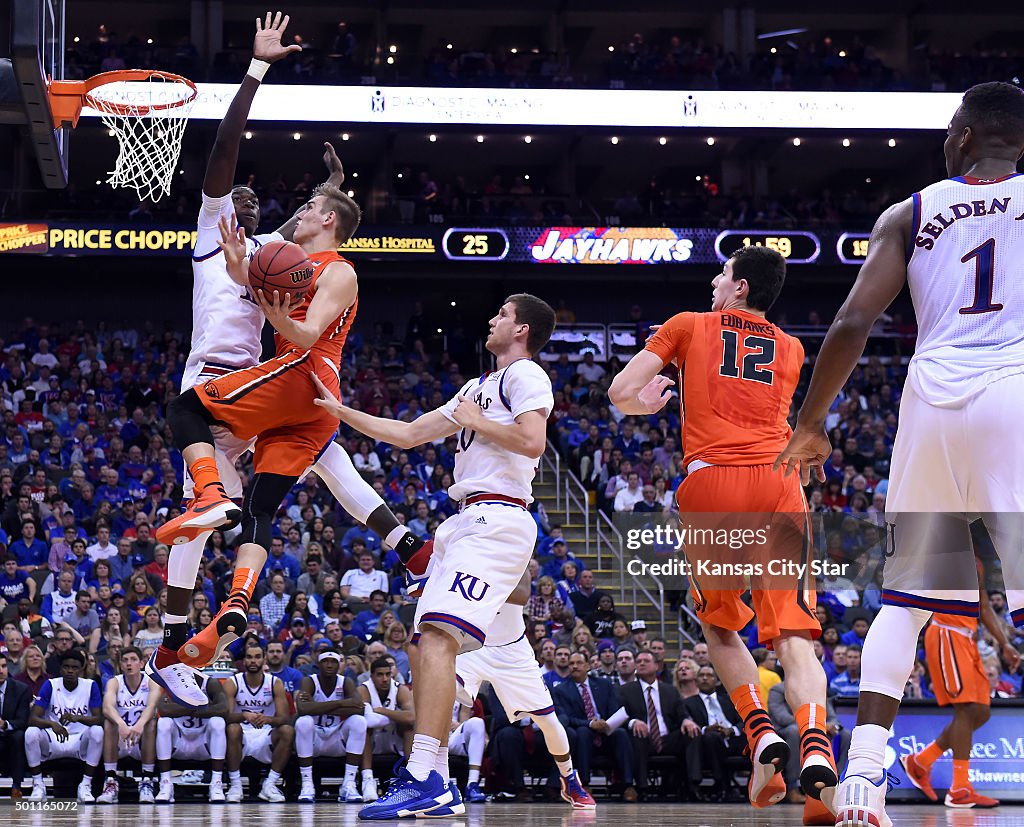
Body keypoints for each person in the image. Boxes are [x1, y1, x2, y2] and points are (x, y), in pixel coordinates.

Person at [146, 12, 429, 708]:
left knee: (321, 455)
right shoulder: (215, 239)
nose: (245, 199)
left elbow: (317, 232)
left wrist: (335, 187)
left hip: (269, 389)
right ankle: (171, 642)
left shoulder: (275, 260)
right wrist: (256, 71)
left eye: (255, 199)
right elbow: (224, 151)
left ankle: (412, 554)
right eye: (236, 197)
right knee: (208, 514)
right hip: (217, 382)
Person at [774, 81, 1024, 827]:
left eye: (950, 132)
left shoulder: (910, 210)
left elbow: (853, 319)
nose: (945, 142)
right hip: (1014, 387)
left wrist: (813, 420)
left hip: (931, 401)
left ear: (967, 135)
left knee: (909, 598)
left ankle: (861, 780)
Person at [610, 245, 838, 814]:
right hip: (780, 482)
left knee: (719, 626)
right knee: (795, 636)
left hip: (715, 484)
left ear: (738, 288)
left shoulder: (687, 325)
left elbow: (618, 393)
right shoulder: (790, 347)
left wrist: (649, 404)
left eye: (722, 275)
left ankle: (761, 732)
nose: (714, 282)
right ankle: (815, 744)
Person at [318, 294, 556, 818]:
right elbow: (408, 435)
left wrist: (477, 419)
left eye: (502, 314)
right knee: (423, 642)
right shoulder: (476, 387)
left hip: (498, 517)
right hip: (463, 523)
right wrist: (339, 412)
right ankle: (438, 780)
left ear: (522, 330)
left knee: (440, 638)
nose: (492, 318)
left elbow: (532, 441)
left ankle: (425, 774)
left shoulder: (526, 375)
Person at [900, 561, 1015, 808]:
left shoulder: (976, 562)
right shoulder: (942, 550)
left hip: (967, 640)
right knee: (966, 709)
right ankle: (960, 788)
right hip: (946, 634)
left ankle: (921, 761)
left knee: (981, 712)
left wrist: (1004, 644)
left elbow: (983, 607)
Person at [553, 652, 636, 801]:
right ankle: (584, 783)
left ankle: (628, 785)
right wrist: (591, 724)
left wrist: (606, 723)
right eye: (571, 664)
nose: (574, 666)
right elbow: (567, 718)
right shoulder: (561, 690)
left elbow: (614, 709)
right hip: (584, 733)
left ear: (587, 666)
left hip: (606, 730)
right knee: (583, 732)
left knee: (621, 734)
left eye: (578, 663)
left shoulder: (604, 684)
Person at [618, 650, 700, 801]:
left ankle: (693, 786)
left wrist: (686, 720)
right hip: (643, 737)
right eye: (639, 661)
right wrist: (633, 722)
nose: (641, 663)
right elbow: (620, 716)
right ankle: (642, 788)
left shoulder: (670, 690)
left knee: (692, 732)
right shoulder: (625, 691)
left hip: (668, 738)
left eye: (646, 661)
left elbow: (681, 713)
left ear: (656, 666)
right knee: (637, 735)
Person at [24, 649, 104, 802]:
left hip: (80, 741)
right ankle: (38, 785)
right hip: (53, 740)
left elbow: (99, 719)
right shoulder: (50, 685)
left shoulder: (90, 685)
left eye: (74, 668)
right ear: (60, 669)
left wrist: (77, 718)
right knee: (31, 732)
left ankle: (85, 785)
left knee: (98, 731)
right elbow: (32, 718)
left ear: (81, 669)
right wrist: (51, 724)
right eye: (66, 667)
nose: (70, 671)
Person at [293, 650, 367, 802]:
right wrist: (341, 703)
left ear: (339, 664)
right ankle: (307, 784)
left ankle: (349, 784)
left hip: (337, 738)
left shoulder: (346, 681)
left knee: (359, 721)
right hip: (314, 740)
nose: (329, 665)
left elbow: (360, 708)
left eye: (333, 662)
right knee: (303, 721)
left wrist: (316, 705)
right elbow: (303, 710)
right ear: (318, 664)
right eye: (325, 661)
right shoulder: (309, 681)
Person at [224, 643, 295, 802]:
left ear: (264, 660)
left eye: (257, 657)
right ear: (243, 661)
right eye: (249, 657)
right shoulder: (233, 682)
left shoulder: (274, 683)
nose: (253, 661)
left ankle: (269, 785)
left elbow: (285, 718)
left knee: (287, 731)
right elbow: (225, 716)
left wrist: (269, 719)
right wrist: (244, 715)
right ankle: (236, 785)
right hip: (241, 736)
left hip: (265, 734)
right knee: (232, 728)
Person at [769, 680, 850, 817]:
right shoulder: (778, 690)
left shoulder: (816, 689)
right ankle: (792, 788)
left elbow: (833, 718)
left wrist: (830, 726)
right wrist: (816, 725)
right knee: (794, 731)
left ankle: (836, 785)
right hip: (786, 731)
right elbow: (782, 717)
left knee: (845, 735)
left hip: (815, 728)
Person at [95, 646, 159, 804]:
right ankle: (110, 782)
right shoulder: (114, 682)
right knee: (109, 723)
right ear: (120, 665)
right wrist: (121, 724)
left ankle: (147, 782)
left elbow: (151, 707)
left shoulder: (152, 681)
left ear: (142, 663)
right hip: (119, 740)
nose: (129, 664)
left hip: (143, 740)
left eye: (133, 660)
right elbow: (107, 707)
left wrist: (140, 725)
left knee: (151, 723)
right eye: (125, 660)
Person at [154, 678, 229, 803]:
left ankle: (216, 783)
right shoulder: (173, 683)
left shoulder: (211, 684)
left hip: (203, 742)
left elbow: (223, 709)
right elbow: (163, 709)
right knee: (163, 723)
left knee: (218, 722)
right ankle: (165, 783)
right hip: (180, 741)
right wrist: (197, 707)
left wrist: (181, 707)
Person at [358, 656, 416, 802]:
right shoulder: (363, 689)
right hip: (372, 742)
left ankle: (412, 777)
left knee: (409, 727)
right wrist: (396, 715)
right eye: (380, 675)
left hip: (394, 739)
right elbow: (367, 720)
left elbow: (411, 717)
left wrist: (383, 711)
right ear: (371, 676)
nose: (384, 679)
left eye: (387, 674)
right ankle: (368, 779)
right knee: (363, 727)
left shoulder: (400, 689)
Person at [0, 651, 32, 799]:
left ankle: (16, 786)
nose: (1, 671)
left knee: (19, 736)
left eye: (3, 666)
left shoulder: (21, 689)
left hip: (11, 731)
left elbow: (22, 720)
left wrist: (4, 724)